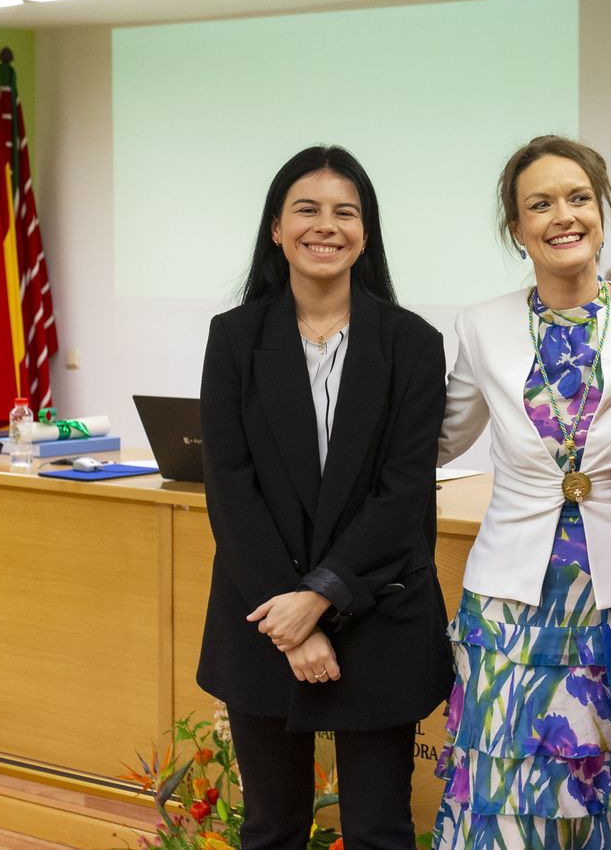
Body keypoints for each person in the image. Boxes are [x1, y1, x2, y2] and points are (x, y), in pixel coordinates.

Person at [431, 135, 611, 848]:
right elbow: (440, 439)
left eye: (578, 198)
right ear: (517, 229)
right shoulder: (481, 324)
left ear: (602, 212)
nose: (563, 216)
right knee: (510, 791)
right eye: (540, 204)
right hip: (512, 603)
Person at [197, 145, 452, 850]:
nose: (326, 225)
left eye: (346, 212)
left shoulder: (413, 343)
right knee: (271, 828)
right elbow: (231, 489)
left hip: (380, 611)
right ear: (276, 228)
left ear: (365, 234)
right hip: (264, 615)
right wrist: (290, 621)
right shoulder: (234, 338)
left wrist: (319, 598)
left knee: (379, 831)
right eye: (306, 209)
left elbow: (402, 494)